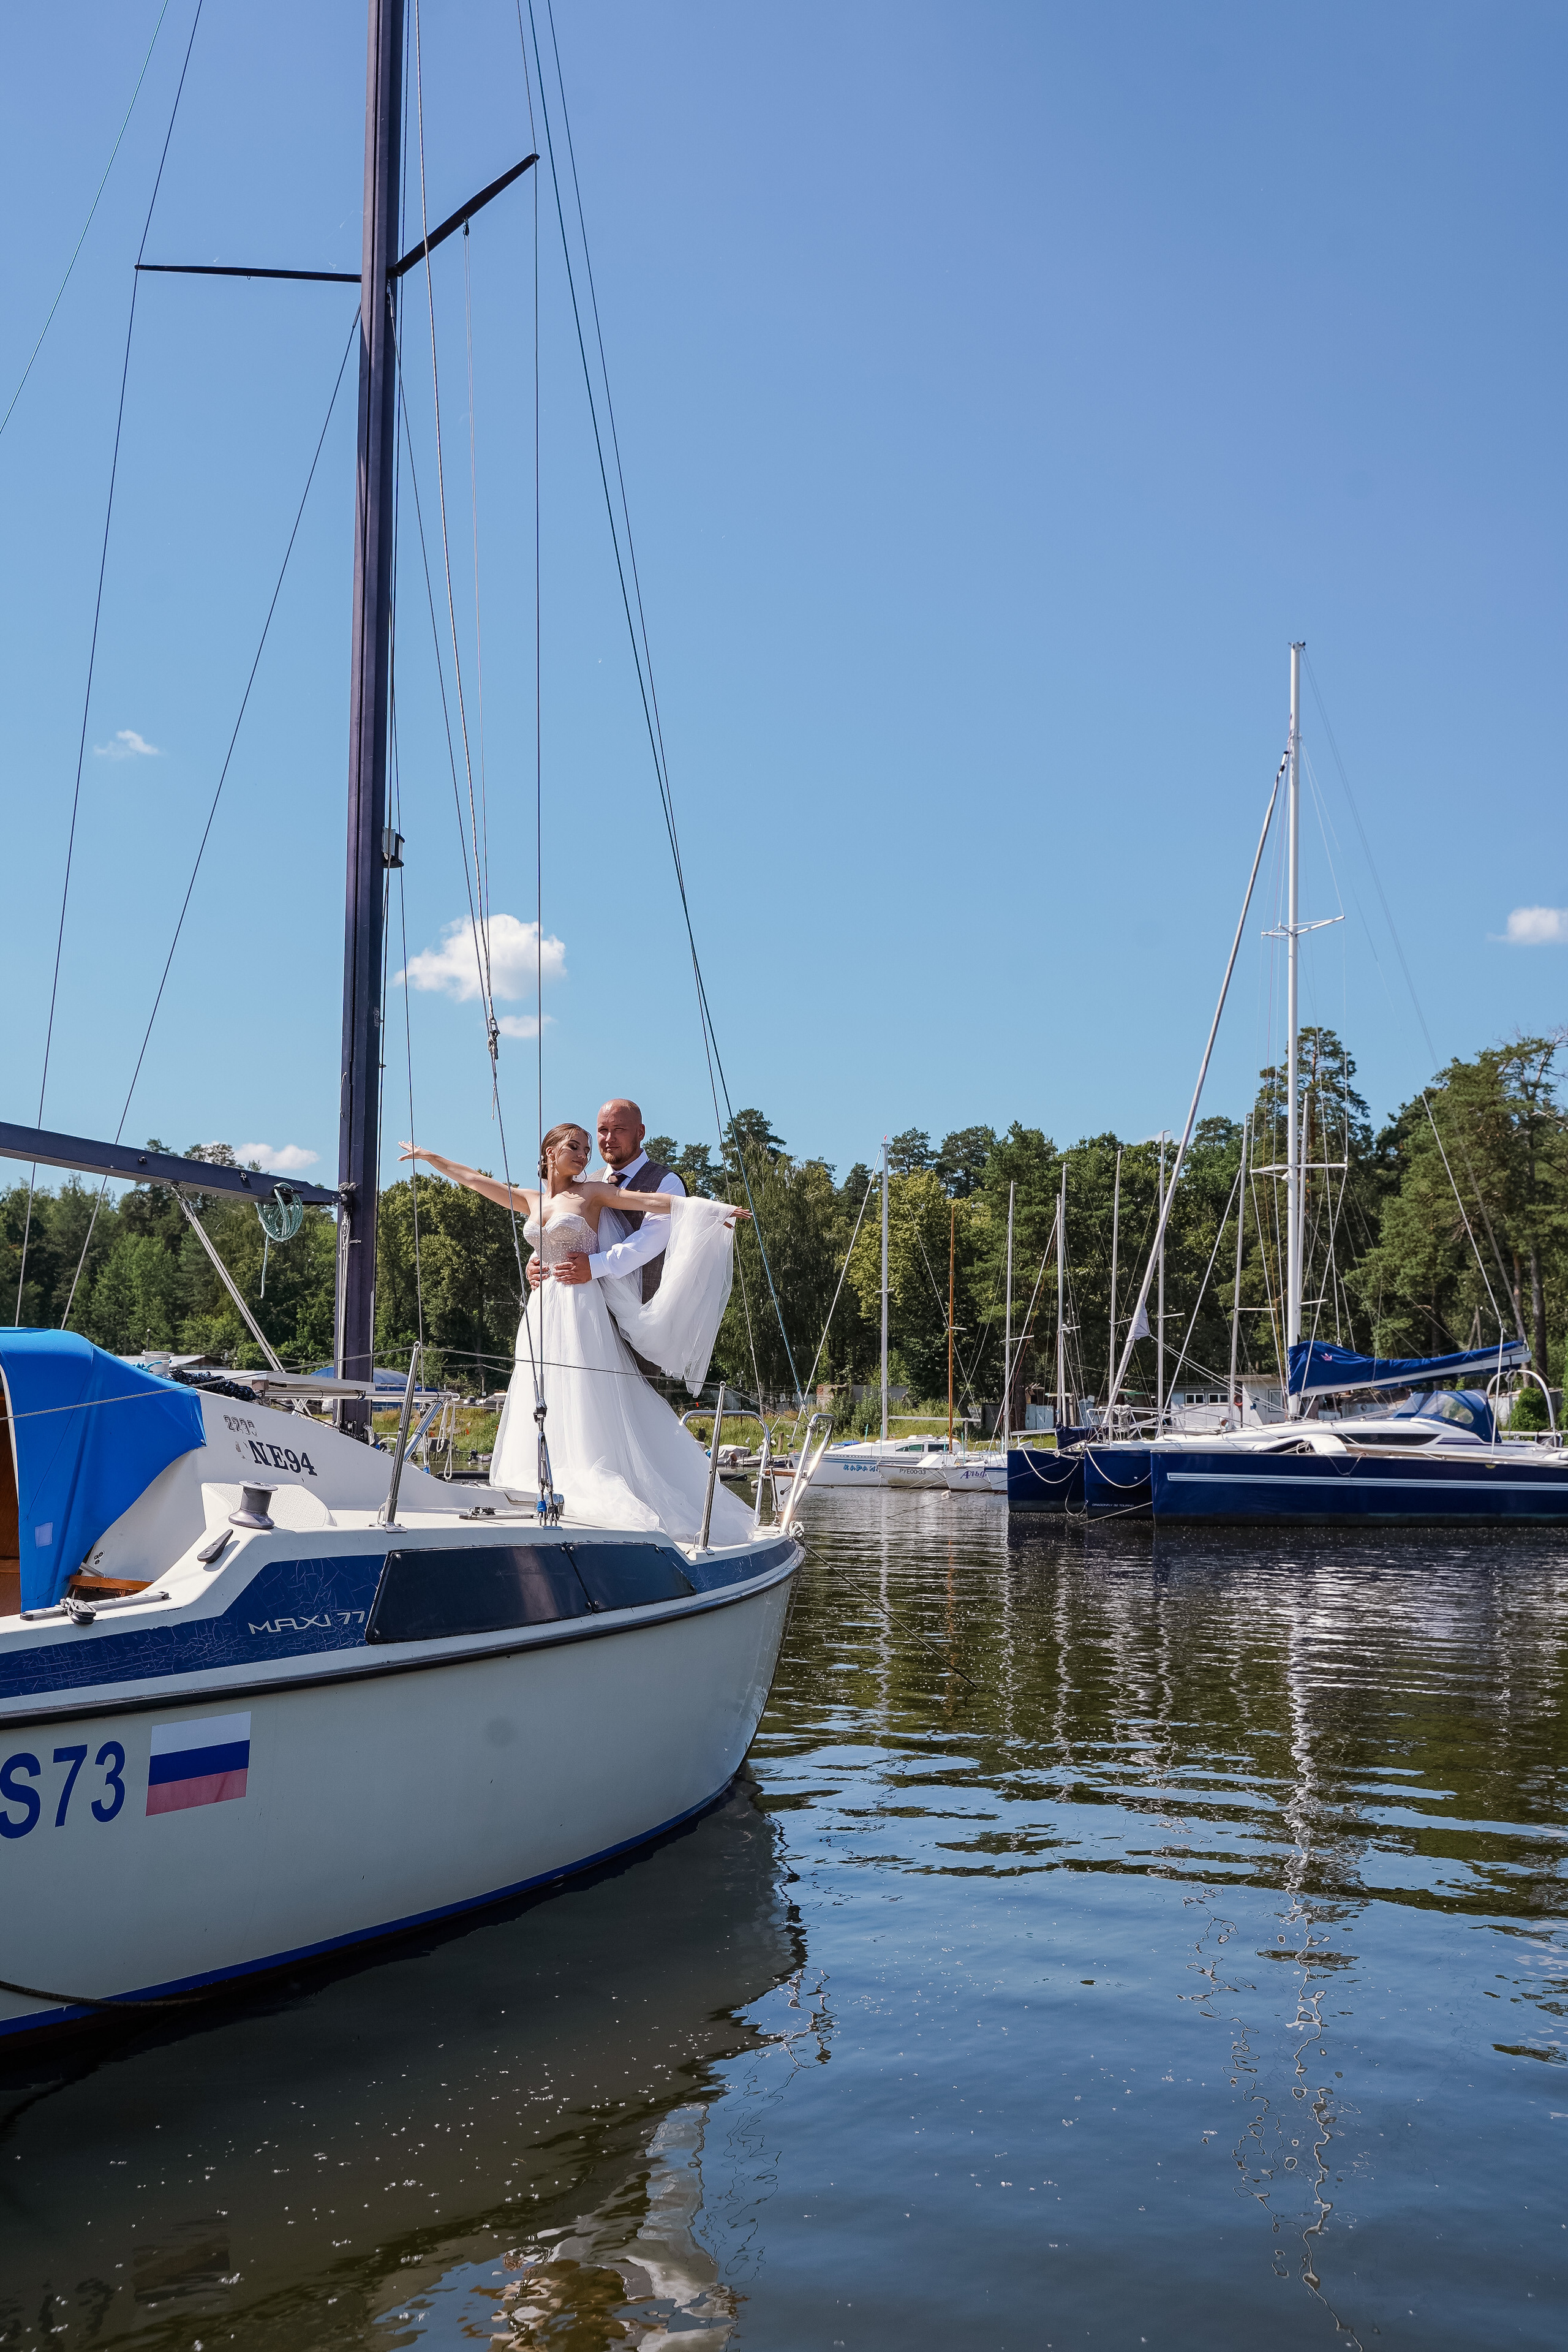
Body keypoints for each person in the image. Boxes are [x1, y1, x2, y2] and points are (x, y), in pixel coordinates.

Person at [399, 1122, 755, 1544]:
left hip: (579, 1303)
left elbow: (652, 1201)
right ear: (550, 1151)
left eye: (587, 1148)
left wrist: (713, 1211)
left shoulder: (592, 1193)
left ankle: (588, 1479)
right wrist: (430, 1157)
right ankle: (537, 1480)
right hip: (542, 1307)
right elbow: (475, 1180)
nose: (585, 1155)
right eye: (575, 1146)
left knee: (583, 1388)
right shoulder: (532, 1199)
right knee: (540, 1387)